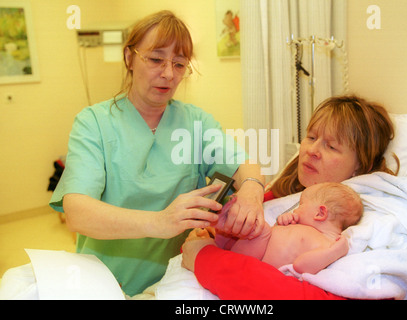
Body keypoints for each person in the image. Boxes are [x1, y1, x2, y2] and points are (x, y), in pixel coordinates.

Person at [49, 10, 265, 296]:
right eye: (155, 59)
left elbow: (243, 165)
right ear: (129, 57)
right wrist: (160, 222)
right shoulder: (94, 123)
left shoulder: (195, 123)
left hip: (173, 281)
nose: (168, 74)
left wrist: (251, 192)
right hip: (105, 280)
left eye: (179, 64)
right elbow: (77, 212)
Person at [181, 95, 399, 300]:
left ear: (360, 166)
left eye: (331, 146)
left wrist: (205, 258)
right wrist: (216, 231)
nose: (312, 150)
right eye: (311, 137)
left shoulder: (362, 224)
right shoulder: (278, 195)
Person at [211, 182, 363, 274]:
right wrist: (281, 224)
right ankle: (221, 229)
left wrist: (334, 252)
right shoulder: (304, 227)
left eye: (301, 205)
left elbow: (301, 265)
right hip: (253, 248)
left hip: (257, 261)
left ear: (320, 213)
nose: (296, 210)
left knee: (258, 227)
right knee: (249, 231)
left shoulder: (328, 243)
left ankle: (225, 219)